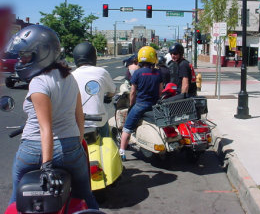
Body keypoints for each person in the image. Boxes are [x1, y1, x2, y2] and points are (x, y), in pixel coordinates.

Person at [6, 25, 99, 209]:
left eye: (26, 55)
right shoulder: (69, 78)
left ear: (42, 53)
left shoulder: (38, 82)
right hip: (70, 148)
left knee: (16, 199)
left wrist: (47, 165)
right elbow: (78, 113)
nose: (21, 60)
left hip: (34, 150)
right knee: (85, 194)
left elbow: (45, 128)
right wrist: (77, 141)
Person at [119, 46, 163, 161]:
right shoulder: (158, 73)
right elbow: (160, 91)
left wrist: (131, 105)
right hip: (153, 105)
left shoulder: (138, 73)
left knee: (127, 127)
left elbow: (133, 92)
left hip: (140, 105)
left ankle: (122, 151)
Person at [72, 41, 116, 134]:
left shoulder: (71, 75)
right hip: (98, 121)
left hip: (77, 122)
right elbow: (112, 90)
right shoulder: (101, 72)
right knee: (106, 144)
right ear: (93, 57)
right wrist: (108, 97)